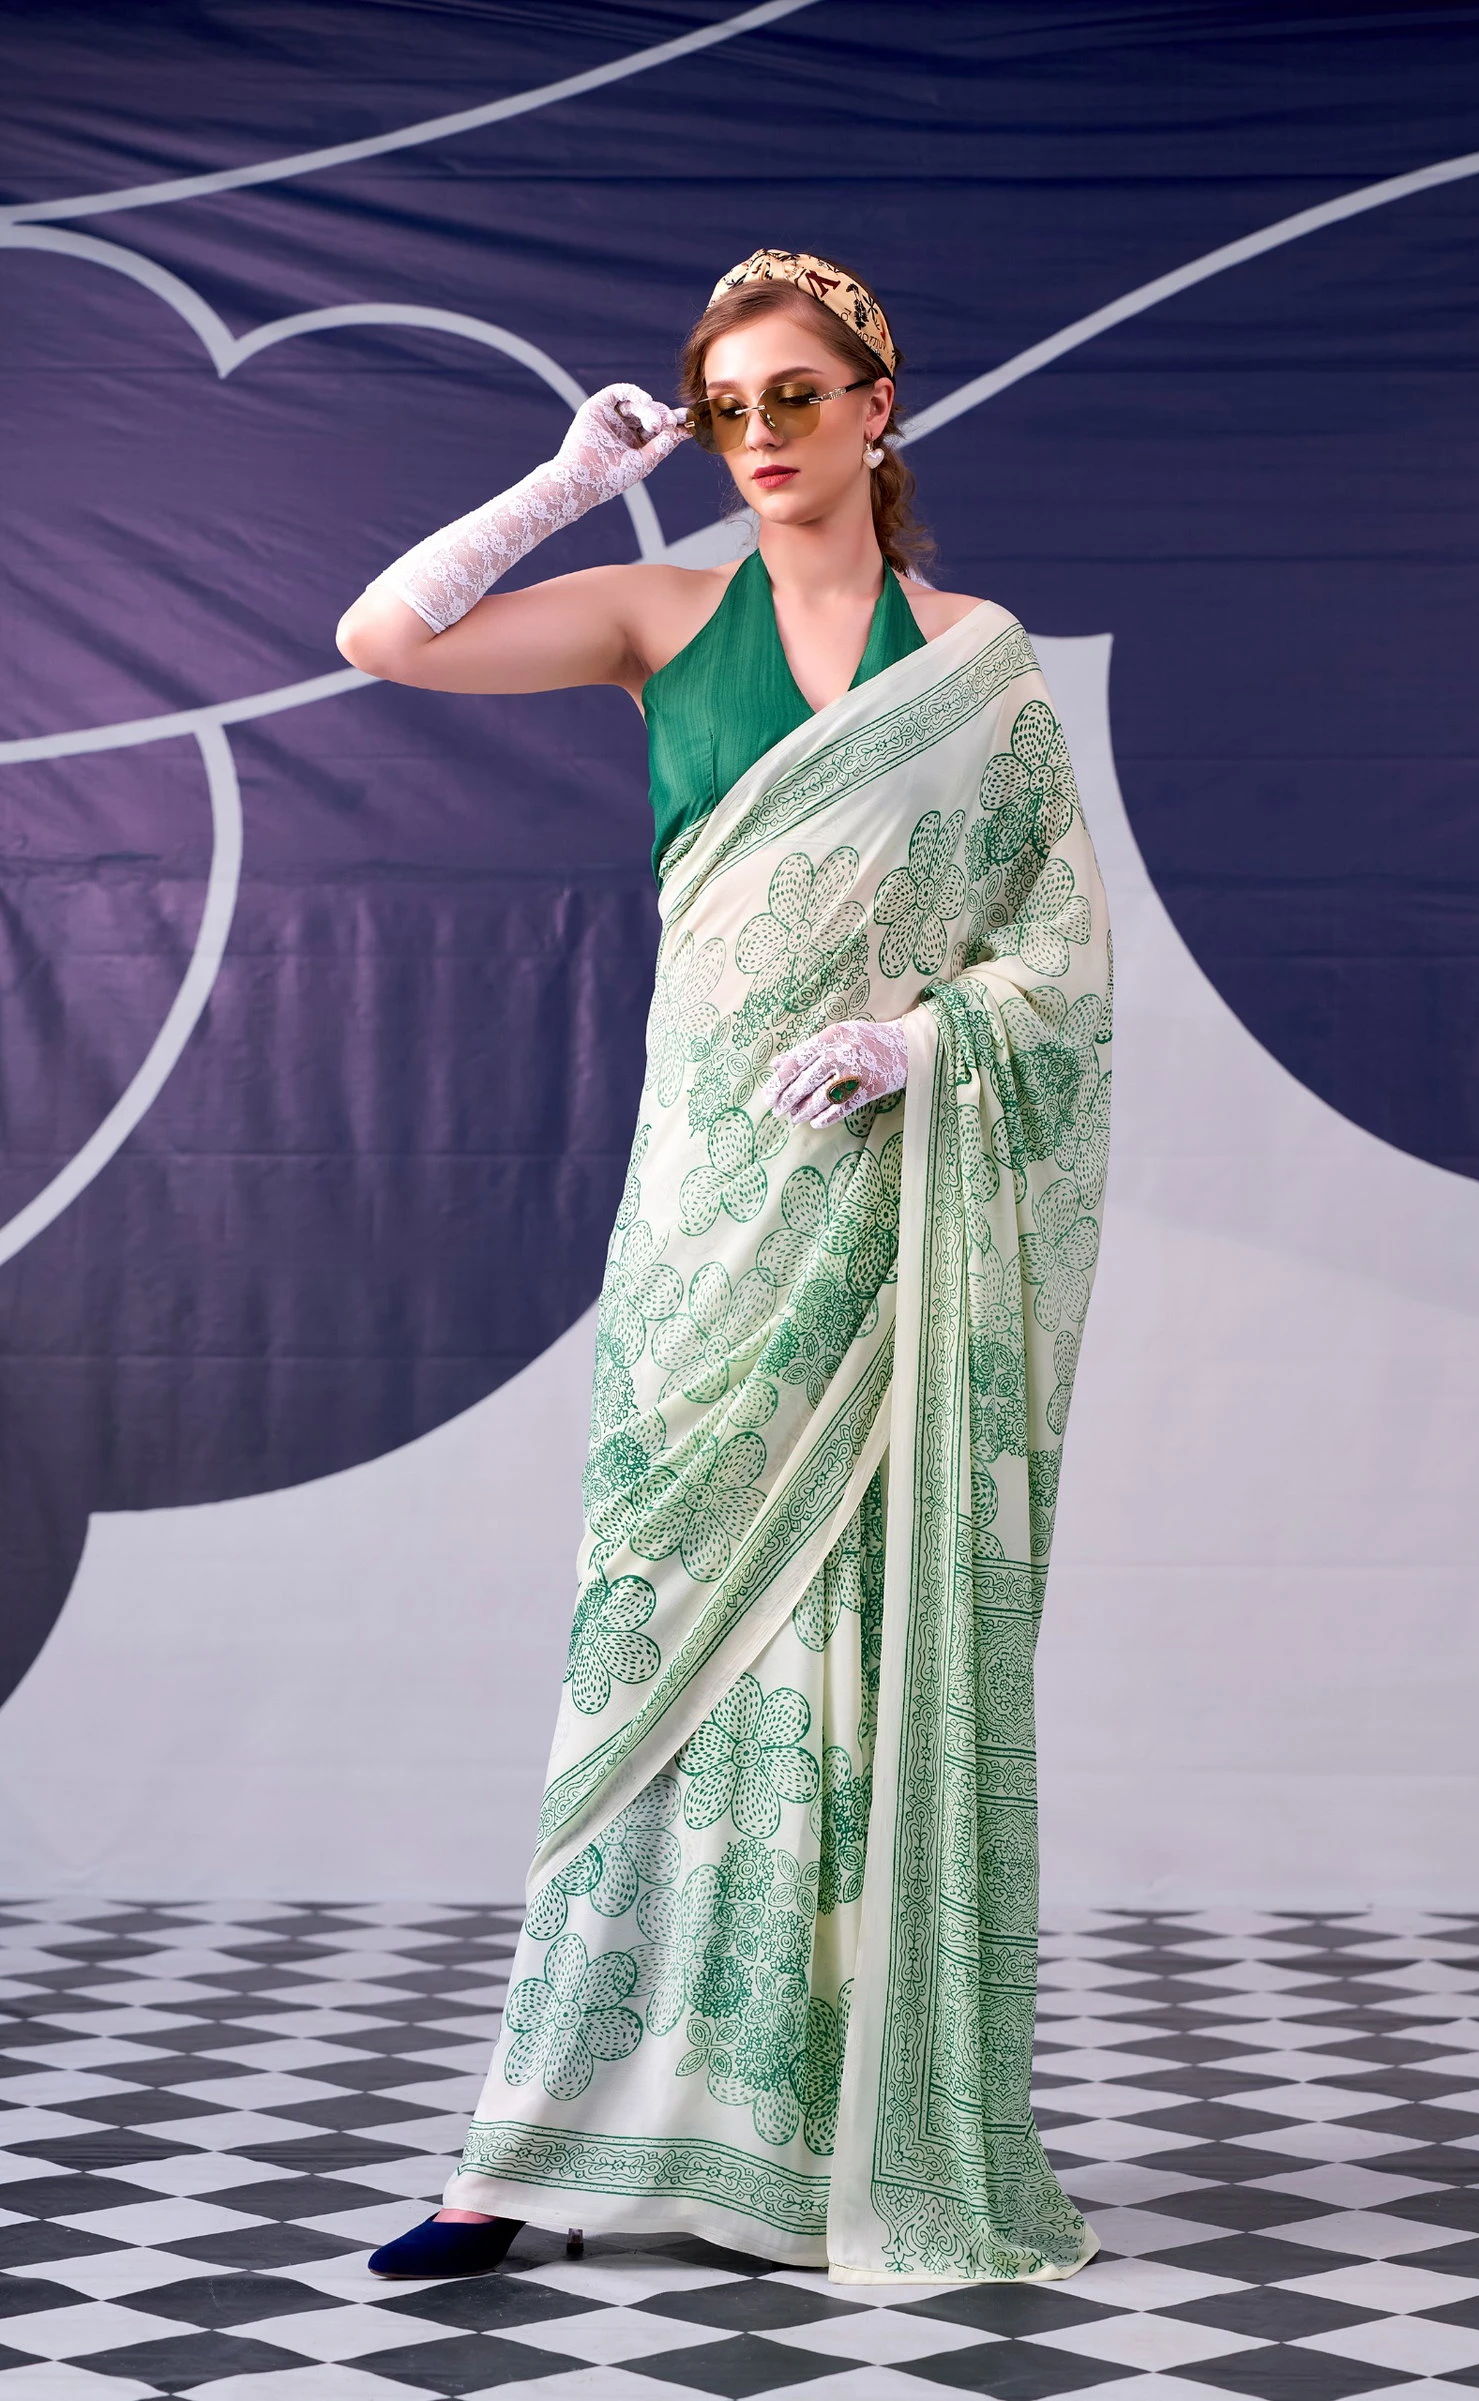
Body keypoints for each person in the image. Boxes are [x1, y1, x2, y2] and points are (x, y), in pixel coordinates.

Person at [336, 249, 1110, 2287]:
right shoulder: (660, 616)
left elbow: (1054, 954)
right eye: (724, 406)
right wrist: (564, 485)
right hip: (708, 1216)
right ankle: (527, 2143)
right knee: (655, 1653)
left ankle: (809, 2127)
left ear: (877, 406)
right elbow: (383, 638)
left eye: (796, 396)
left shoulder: (980, 664)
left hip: (889, 1218)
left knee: (854, 1651)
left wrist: (921, 1047)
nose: (759, 434)